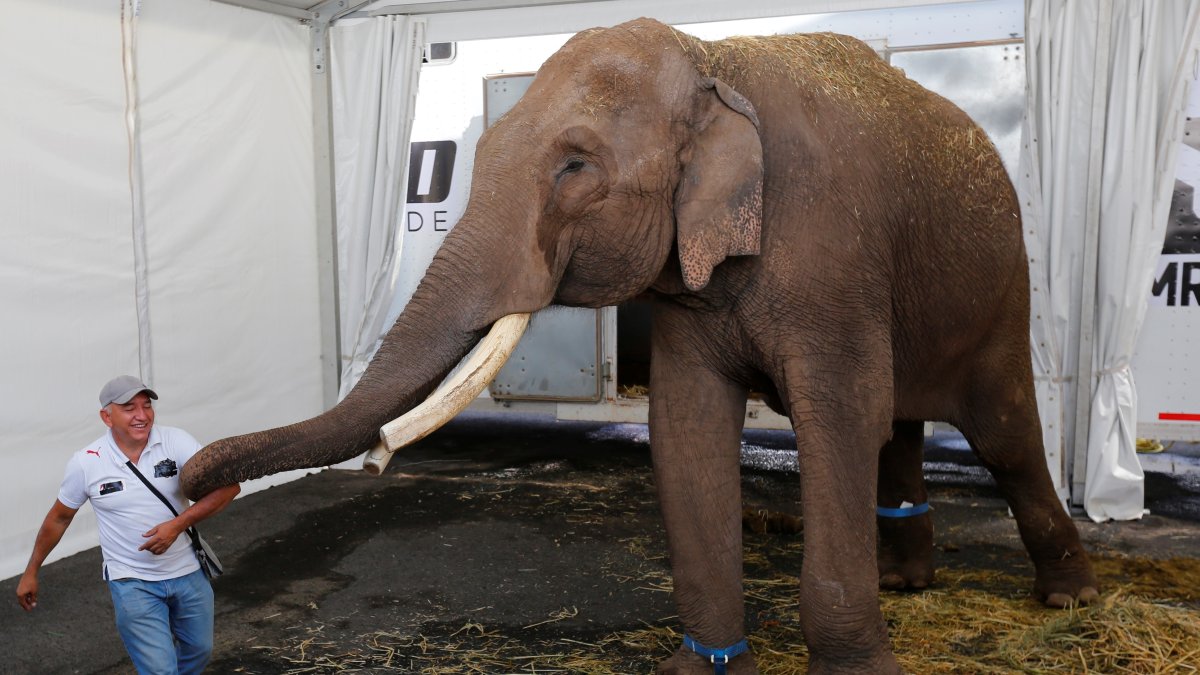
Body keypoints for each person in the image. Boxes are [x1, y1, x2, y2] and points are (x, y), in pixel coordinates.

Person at [15, 375, 240, 674]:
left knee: (199, 651)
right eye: (129, 407)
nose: (142, 415)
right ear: (106, 416)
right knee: (160, 670)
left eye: (147, 406)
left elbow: (229, 487)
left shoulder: (176, 441)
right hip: (131, 581)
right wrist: (31, 571)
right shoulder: (87, 462)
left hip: (188, 573)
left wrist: (177, 525)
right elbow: (59, 518)